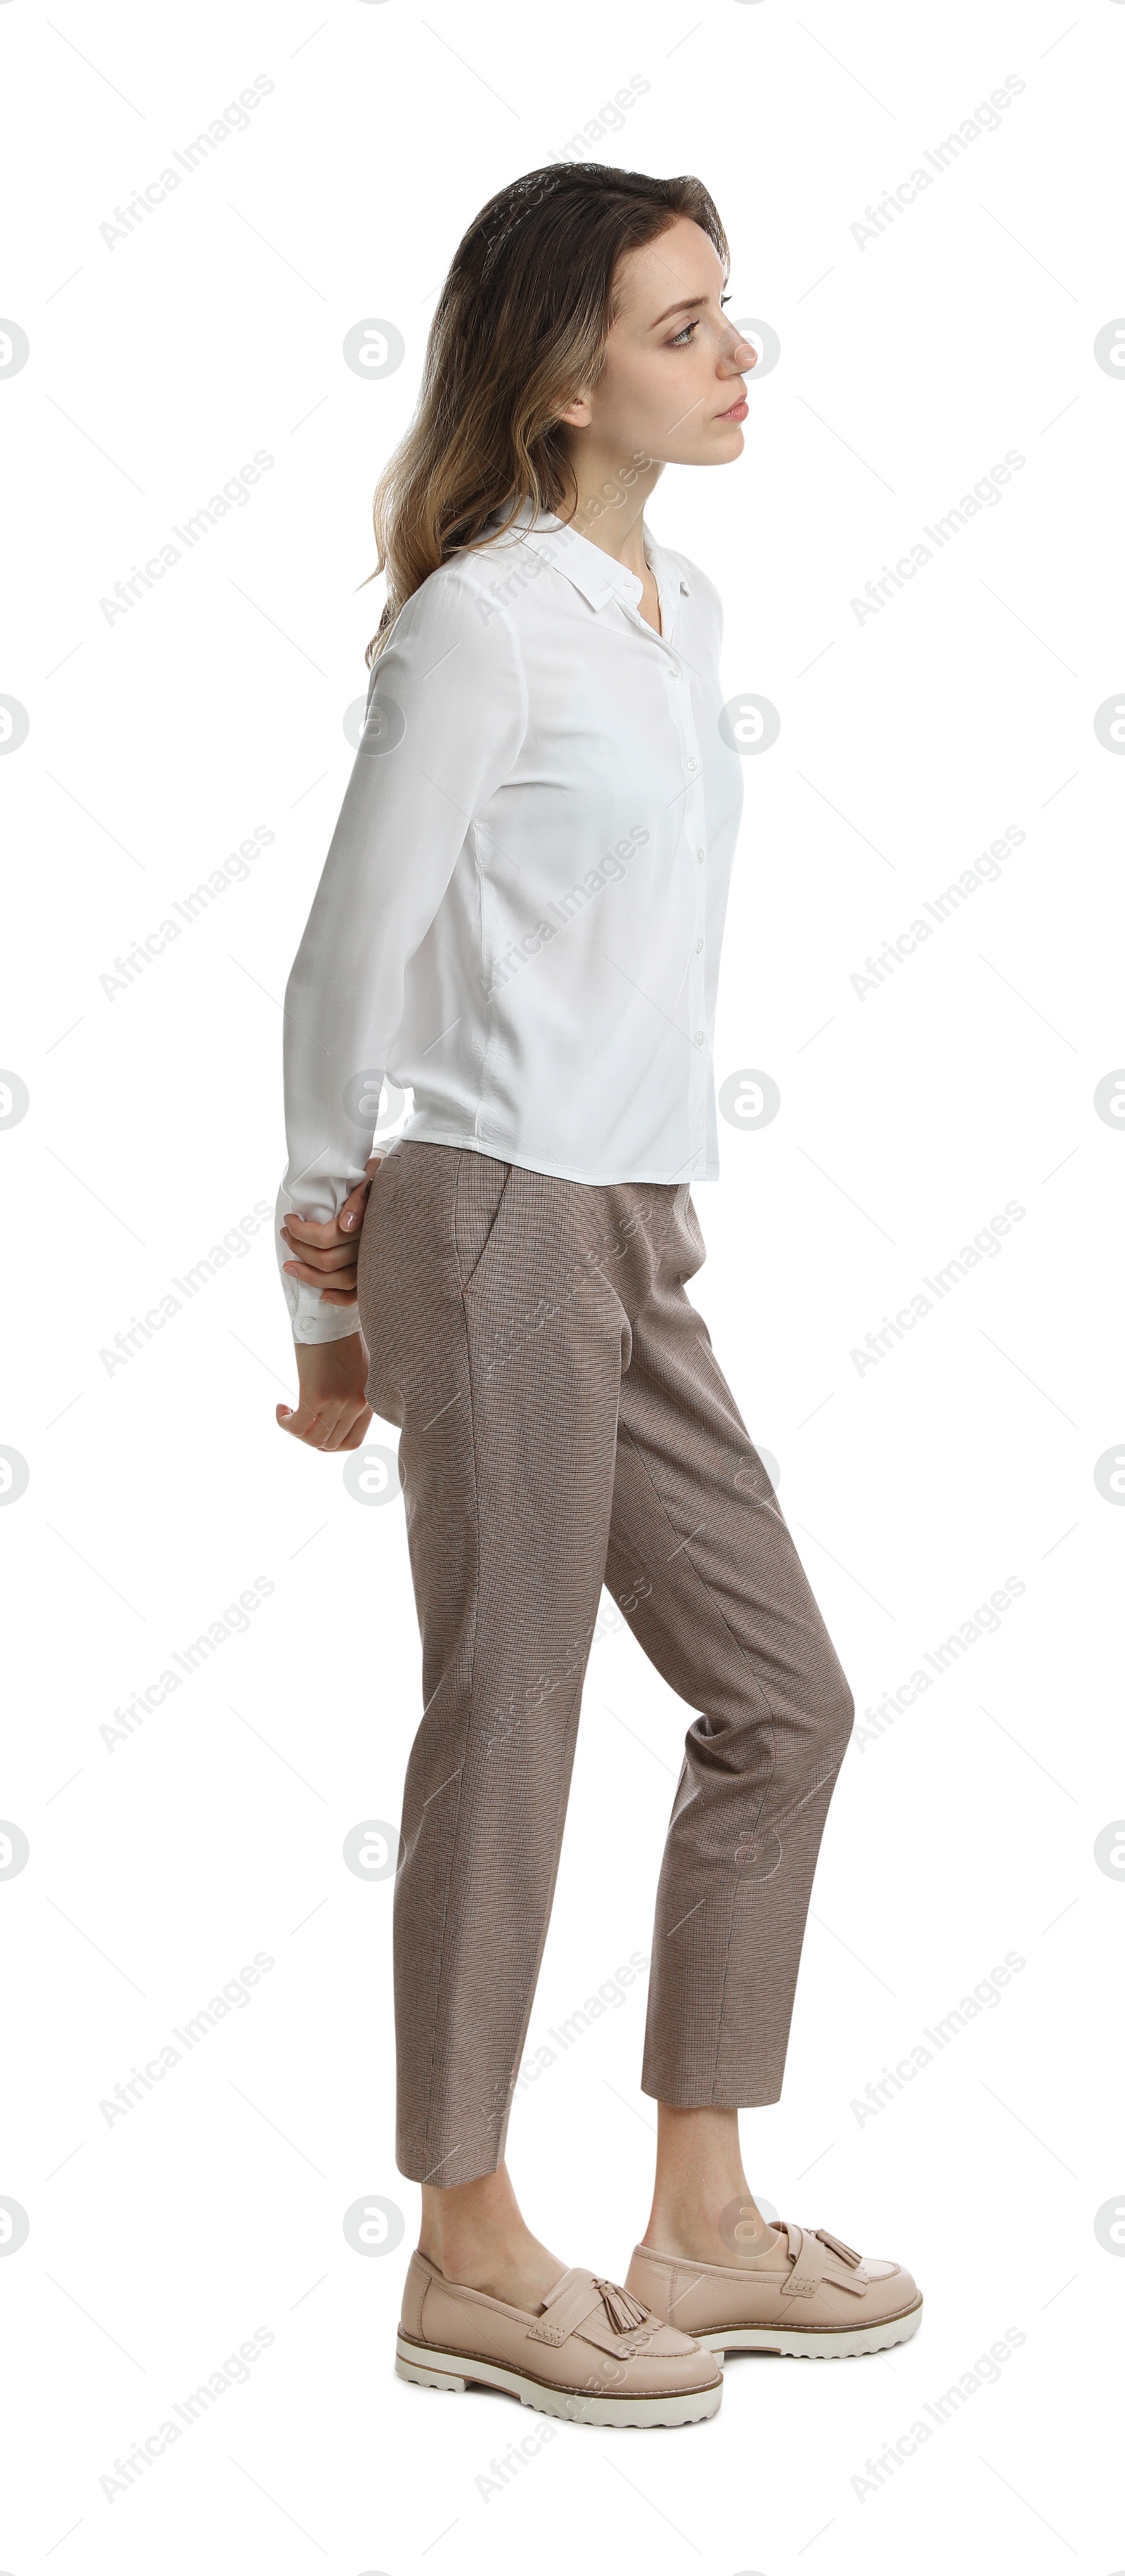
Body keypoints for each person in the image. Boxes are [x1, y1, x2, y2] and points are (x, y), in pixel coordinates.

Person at [274, 164, 921, 2427]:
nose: (736, 354)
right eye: (682, 324)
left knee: (786, 1698)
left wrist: (645, 1213)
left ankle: (701, 2220)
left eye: (732, 311)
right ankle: (463, 2246)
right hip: (487, 1212)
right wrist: (324, 1315)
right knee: (519, 1714)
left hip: (623, 1223)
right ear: (563, 378)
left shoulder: (680, 609)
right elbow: (345, 969)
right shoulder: (482, 621)